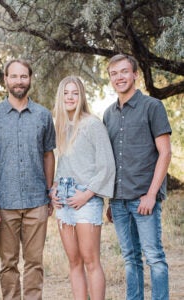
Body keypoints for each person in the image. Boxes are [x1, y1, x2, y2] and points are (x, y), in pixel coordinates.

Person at [0, 58, 56, 300]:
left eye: (23, 76)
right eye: (14, 76)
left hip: (37, 200)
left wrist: (49, 192)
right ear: (5, 79)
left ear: (30, 79)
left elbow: (48, 155)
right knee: (8, 263)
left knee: (35, 262)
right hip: (5, 203)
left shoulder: (43, 116)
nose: (19, 81)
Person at [103, 54, 172, 300]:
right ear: (110, 78)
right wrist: (109, 200)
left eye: (124, 72)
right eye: (114, 73)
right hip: (119, 201)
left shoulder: (152, 107)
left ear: (135, 75)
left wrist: (152, 195)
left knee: (154, 257)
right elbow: (108, 161)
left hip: (144, 198)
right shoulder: (108, 114)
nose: (119, 77)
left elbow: (165, 153)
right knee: (130, 259)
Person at [50, 76, 116, 300]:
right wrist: (53, 190)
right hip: (64, 197)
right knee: (74, 261)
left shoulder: (92, 124)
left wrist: (87, 194)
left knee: (91, 261)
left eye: (75, 93)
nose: (70, 97)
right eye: (66, 93)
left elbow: (106, 165)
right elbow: (62, 164)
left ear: (81, 97)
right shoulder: (59, 126)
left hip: (87, 197)